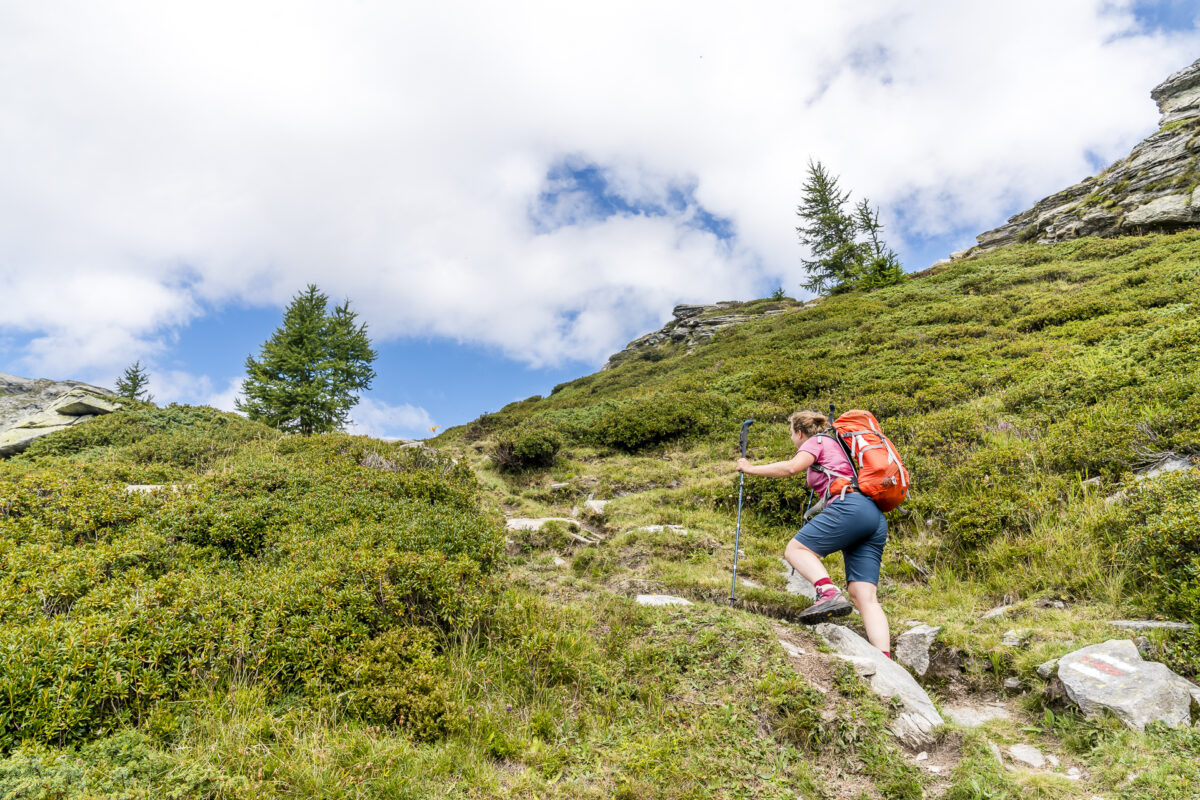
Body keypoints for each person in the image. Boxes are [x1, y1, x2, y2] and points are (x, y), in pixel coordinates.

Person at [736, 410, 891, 657]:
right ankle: (885, 660)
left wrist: (750, 468)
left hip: (850, 507)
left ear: (799, 432)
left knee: (796, 550)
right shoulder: (841, 447)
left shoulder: (816, 441)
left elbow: (790, 468)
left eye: (791, 434)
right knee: (864, 596)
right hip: (873, 515)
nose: (792, 439)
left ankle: (828, 592)